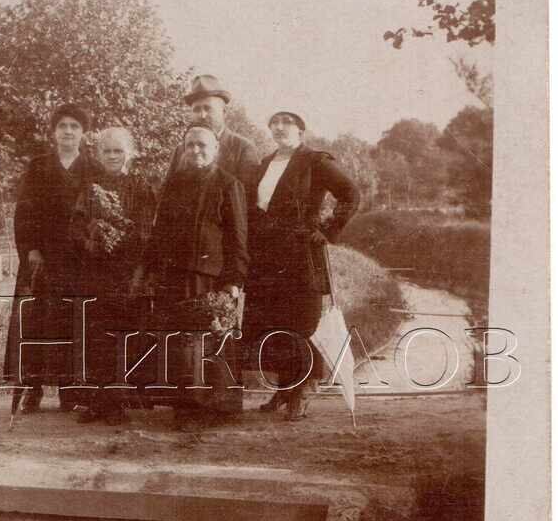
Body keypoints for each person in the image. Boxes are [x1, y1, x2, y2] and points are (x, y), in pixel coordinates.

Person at [246, 110, 360, 420]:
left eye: (287, 123)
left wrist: (326, 229)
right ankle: (284, 389)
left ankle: (302, 391)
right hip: (267, 256)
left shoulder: (315, 160)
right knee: (273, 320)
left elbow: (350, 193)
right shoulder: (266, 163)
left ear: (301, 130)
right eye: (274, 123)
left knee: (300, 321)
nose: (279, 127)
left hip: (300, 253)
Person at [136, 121, 248, 424]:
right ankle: (187, 406)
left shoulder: (228, 184)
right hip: (174, 275)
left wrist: (234, 281)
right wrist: (149, 269)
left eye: (203, 145)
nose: (196, 150)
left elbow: (238, 238)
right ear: (184, 149)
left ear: (215, 149)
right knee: (180, 343)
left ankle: (219, 406)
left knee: (211, 339)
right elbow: (160, 231)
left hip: (210, 277)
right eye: (190, 145)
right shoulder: (175, 183)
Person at [3, 102, 95, 413]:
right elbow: (24, 213)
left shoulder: (91, 168)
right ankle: (32, 388)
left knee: (71, 321)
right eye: (62, 126)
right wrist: (30, 250)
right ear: (54, 132)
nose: (68, 132)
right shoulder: (38, 166)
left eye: (74, 127)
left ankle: (70, 390)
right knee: (36, 323)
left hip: (78, 262)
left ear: (83, 133)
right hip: (41, 260)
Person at [70, 127, 157, 424]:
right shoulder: (90, 187)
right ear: (98, 154)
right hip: (95, 270)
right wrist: (90, 238)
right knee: (97, 335)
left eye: (118, 150)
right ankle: (97, 400)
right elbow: (77, 224)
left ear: (128, 154)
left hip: (127, 270)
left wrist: (123, 243)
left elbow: (147, 230)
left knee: (123, 335)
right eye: (106, 151)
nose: (112, 156)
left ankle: (118, 401)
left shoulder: (141, 186)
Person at [164, 74, 262, 207]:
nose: (202, 115)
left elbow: (247, 201)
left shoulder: (243, 148)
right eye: (196, 110)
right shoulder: (181, 149)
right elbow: (167, 193)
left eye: (208, 108)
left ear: (224, 111)